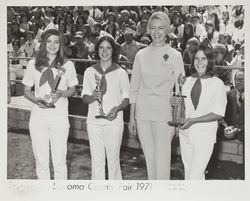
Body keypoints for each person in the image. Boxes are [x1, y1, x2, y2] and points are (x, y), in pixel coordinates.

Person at [128, 11, 185, 180]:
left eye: (160, 28)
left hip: (164, 116)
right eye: (152, 28)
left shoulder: (175, 55)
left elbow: (181, 90)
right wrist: (132, 118)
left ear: (167, 29)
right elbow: (134, 88)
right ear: (148, 30)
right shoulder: (140, 55)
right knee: (150, 163)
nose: (156, 32)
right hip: (143, 115)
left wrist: (177, 119)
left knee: (162, 165)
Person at [22, 28, 78, 179]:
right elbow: (26, 90)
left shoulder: (68, 65)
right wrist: (37, 100)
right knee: (41, 162)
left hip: (59, 117)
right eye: (49, 41)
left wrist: (61, 94)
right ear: (43, 42)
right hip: (38, 117)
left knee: (59, 162)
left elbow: (73, 89)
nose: (52, 45)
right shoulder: (33, 64)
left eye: (56, 42)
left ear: (61, 44)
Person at [82, 33, 129, 180]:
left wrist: (116, 109)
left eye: (108, 48)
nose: (104, 51)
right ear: (97, 50)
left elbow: (127, 99)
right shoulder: (89, 72)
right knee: (97, 162)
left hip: (113, 123)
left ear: (113, 51)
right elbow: (84, 97)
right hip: (94, 122)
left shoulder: (121, 73)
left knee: (113, 162)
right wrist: (93, 97)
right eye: (101, 48)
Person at [176, 45, 227, 180]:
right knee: (189, 175)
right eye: (196, 59)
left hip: (204, 137)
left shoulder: (217, 83)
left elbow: (219, 113)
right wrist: (176, 94)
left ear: (210, 61)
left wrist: (193, 120)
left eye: (204, 58)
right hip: (185, 134)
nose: (199, 62)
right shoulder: (186, 81)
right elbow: (182, 108)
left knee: (194, 176)